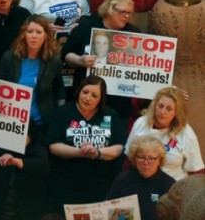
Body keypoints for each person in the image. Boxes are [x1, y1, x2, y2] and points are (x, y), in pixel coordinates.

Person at [46, 75, 126, 213]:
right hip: (66, 184)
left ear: (101, 99)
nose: (88, 98)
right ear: (79, 91)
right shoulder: (64, 112)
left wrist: (97, 153)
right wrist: (79, 152)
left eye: (94, 95)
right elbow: (53, 145)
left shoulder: (110, 115)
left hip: (100, 186)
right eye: (85, 92)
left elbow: (119, 147)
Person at [61, 0, 140, 119]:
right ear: (109, 8)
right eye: (122, 12)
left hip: (118, 103)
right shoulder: (86, 26)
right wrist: (80, 60)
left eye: (129, 12)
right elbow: (66, 53)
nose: (126, 16)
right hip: (85, 100)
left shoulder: (134, 33)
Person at [0, 14, 65, 130]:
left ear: (46, 36)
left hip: (41, 123)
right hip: (13, 123)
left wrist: (61, 118)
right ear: (23, 34)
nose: (34, 36)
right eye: (30, 31)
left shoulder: (53, 60)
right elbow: (0, 89)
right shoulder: (9, 57)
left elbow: (59, 89)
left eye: (39, 32)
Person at [125, 87, 204, 181]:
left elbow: (197, 170)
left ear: (177, 112)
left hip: (173, 188)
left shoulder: (186, 132)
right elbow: (128, 160)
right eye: (160, 106)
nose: (162, 112)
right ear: (155, 105)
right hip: (141, 183)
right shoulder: (141, 123)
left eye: (169, 109)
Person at [107, 135, 175, 220]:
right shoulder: (123, 179)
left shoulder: (169, 184)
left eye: (151, 158)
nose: (146, 162)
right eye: (141, 157)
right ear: (134, 159)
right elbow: (108, 209)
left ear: (159, 160)